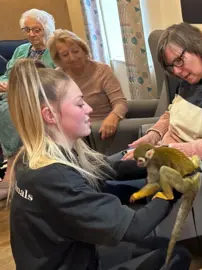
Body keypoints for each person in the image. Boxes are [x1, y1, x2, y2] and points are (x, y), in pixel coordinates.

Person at [7, 59, 191, 270]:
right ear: (49, 115)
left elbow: (103, 169)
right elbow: (135, 227)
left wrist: (154, 159)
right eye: (79, 103)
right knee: (176, 257)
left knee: (161, 246)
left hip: (68, 255)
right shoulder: (54, 177)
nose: (89, 108)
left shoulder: (32, 158)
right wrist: (172, 188)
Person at [120, 22, 202, 162]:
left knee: (105, 177)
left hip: (178, 166)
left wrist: (159, 152)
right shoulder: (189, 81)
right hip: (163, 153)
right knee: (103, 168)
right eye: (171, 66)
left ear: (197, 46)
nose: (176, 71)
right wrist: (154, 135)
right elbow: (172, 114)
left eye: (179, 60)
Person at [0, 8, 56, 203]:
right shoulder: (21, 50)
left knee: (7, 110)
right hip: (10, 91)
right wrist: (3, 83)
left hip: (37, 94)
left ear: (47, 29)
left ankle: (11, 168)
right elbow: (8, 74)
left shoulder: (55, 50)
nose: (31, 34)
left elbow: (54, 80)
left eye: (37, 29)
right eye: (27, 30)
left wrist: (14, 88)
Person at [47, 29, 128, 141]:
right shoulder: (58, 75)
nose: (72, 57)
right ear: (58, 59)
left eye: (75, 51)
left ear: (83, 50)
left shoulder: (102, 70)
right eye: (65, 55)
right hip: (72, 130)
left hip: (101, 129)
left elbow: (120, 102)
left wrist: (113, 116)